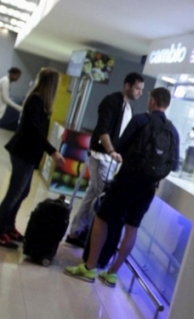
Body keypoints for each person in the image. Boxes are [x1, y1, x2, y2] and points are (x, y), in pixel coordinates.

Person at [65, 87, 179, 285]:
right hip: (149, 187)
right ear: (166, 105)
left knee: (102, 218)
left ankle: (90, 267)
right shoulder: (172, 131)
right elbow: (174, 164)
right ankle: (112, 273)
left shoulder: (141, 120)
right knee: (132, 228)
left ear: (152, 101)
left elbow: (120, 147)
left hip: (127, 180)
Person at [65, 72, 144, 246]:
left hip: (110, 160)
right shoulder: (111, 101)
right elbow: (103, 129)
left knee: (93, 193)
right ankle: (90, 235)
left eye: (141, 89)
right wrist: (111, 151)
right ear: (127, 86)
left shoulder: (129, 109)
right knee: (103, 197)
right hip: (101, 157)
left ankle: (77, 231)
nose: (140, 92)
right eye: (138, 88)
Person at [0, 68, 65, 248]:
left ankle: (8, 227)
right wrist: (52, 151)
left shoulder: (41, 102)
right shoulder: (36, 101)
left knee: (22, 193)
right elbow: (35, 131)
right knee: (13, 195)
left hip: (29, 154)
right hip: (23, 152)